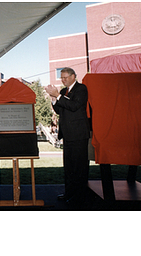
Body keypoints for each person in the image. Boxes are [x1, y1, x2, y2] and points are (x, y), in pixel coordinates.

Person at [45, 67, 90, 209]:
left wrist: (57, 95)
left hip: (78, 135)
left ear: (73, 76)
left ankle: (79, 197)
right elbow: (60, 110)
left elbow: (74, 106)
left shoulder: (81, 89)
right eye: (61, 78)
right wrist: (53, 99)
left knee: (79, 168)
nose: (63, 80)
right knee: (69, 168)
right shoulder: (64, 92)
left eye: (65, 77)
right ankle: (69, 193)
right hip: (68, 135)